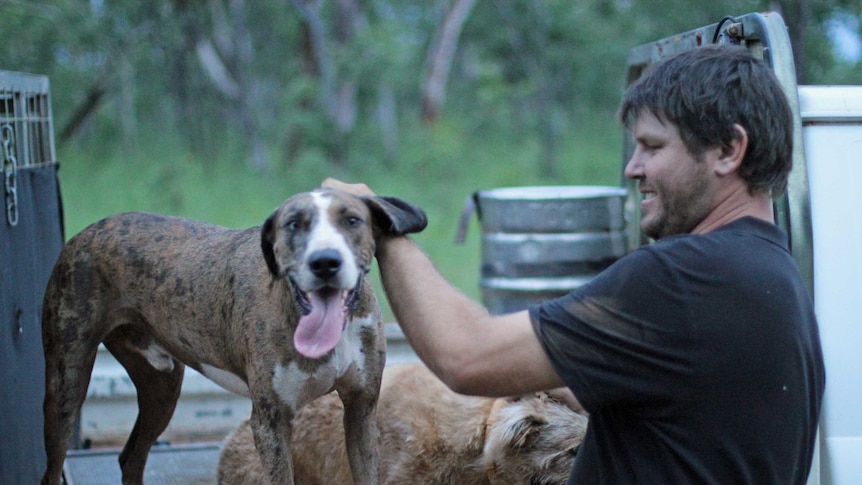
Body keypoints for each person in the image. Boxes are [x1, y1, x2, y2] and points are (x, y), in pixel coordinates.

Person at [324, 44, 825, 484]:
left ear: (728, 150)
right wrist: (550, 367)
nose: (633, 168)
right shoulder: (775, 279)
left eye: (652, 147)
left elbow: (465, 356)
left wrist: (379, 224)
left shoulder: (685, 276)